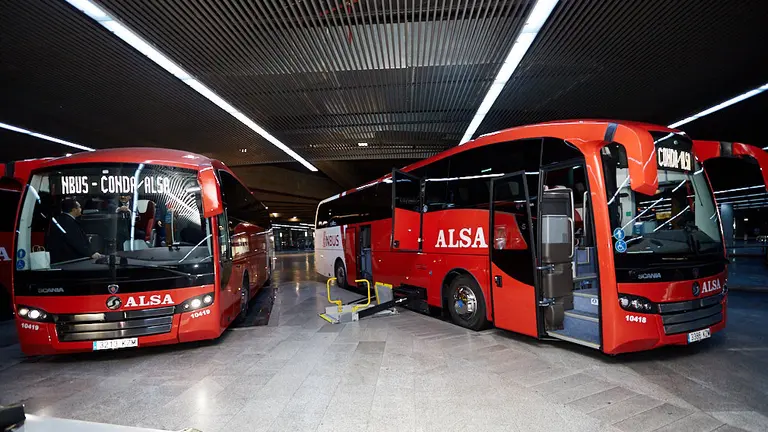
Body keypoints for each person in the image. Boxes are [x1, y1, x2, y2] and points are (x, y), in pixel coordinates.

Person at [48, 199, 102, 263]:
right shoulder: (68, 222)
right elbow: (76, 241)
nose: (81, 209)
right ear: (74, 210)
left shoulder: (61, 219)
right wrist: (90, 253)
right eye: (79, 207)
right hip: (69, 260)